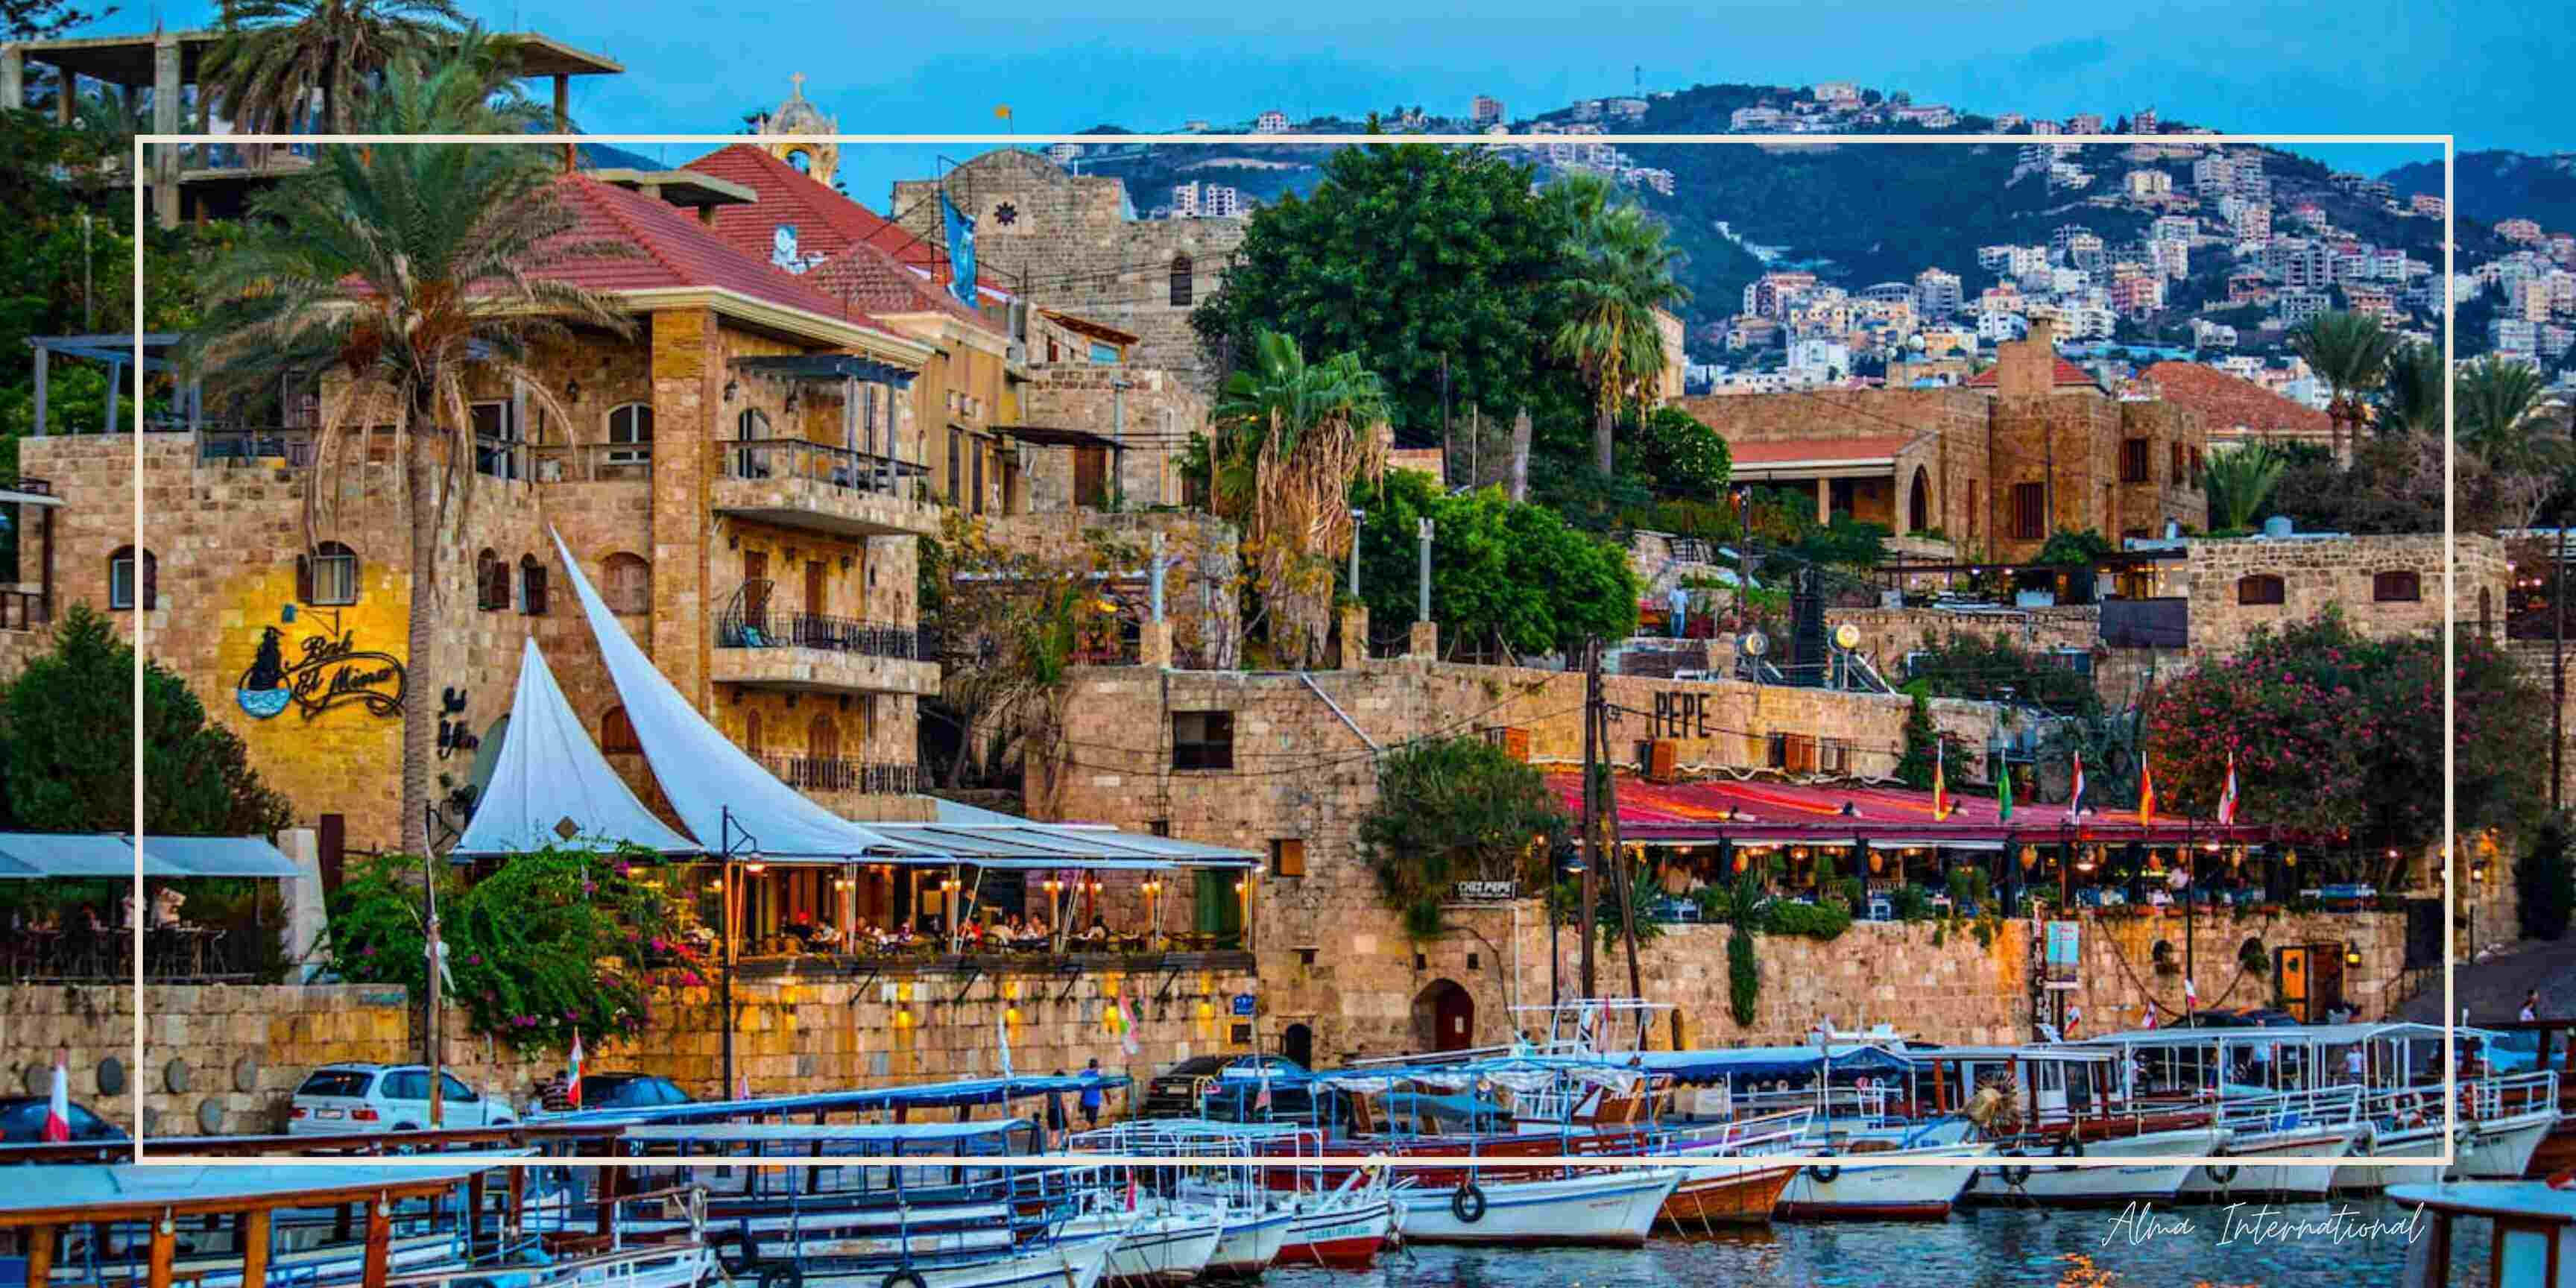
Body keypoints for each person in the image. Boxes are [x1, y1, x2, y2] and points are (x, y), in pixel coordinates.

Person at [1079, 1058, 1106, 1129]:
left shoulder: (1083, 1074)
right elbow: (1104, 1084)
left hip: (1086, 1101)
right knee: (1091, 1121)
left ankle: (1092, 1132)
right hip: (1094, 1102)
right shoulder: (1097, 1075)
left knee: (1090, 1119)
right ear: (1096, 1066)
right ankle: (1084, 1135)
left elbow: (1080, 1084)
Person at [1045, 1071, 1070, 1147]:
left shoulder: (1049, 1088)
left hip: (1051, 1110)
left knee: (1054, 1129)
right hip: (1058, 1110)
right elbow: (1063, 1101)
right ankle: (1056, 1145)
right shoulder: (1059, 1087)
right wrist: (1067, 1112)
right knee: (1061, 1130)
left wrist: (1047, 1113)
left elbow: (1047, 1102)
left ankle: (1052, 1144)